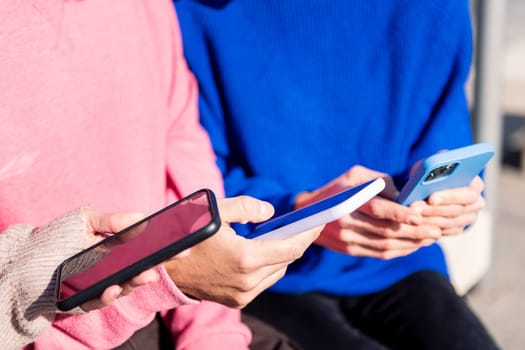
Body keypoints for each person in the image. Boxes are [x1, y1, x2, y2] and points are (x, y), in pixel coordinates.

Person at [174, 0, 500, 349]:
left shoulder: (433, 8)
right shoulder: (194, 11)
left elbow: (441, 144)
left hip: (397, 261)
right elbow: (185, 180)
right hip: (260, 270)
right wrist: (303, 212)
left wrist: (449, 202)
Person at [0, 1, 322, 349]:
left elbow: (179, 138)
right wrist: (171, 278)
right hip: (50, 330)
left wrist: (212, 329)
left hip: (176, 302)